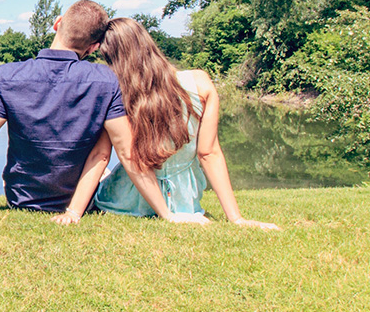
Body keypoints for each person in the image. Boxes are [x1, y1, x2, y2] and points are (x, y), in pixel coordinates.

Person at [0, 1, 204, 221]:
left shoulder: (7, 75)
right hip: (81, 200)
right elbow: (125, 153)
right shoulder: (105, 81)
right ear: (93, 47)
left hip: (21, 200)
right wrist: (168, 215)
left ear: (57, 24)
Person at [52, 17, 279, 229]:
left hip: (125, 202)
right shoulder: (200, 82)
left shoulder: (116, 93)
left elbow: (101, 155)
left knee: (105, 172)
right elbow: (209, 154)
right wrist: (236, 218)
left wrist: (74, 211)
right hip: (183, 203)